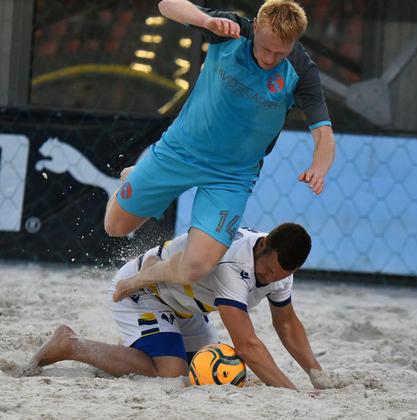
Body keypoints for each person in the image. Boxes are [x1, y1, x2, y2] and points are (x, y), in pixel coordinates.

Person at [105, 0, 335, 294]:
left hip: (232, 176)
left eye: (280, 52)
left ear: (294, 42)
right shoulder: (230, 30)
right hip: (180, 152)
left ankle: (145, 275)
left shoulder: (301, 71)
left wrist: (319, 168)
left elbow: (324, 135)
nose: (270, 58)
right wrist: (206, 21)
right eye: (265, 48)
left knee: (195, 268)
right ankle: (136, 175)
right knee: (115, 227)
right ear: (256, 27)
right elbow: (166, 5)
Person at [32, 223, 326, 390]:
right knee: (173, 373)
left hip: (187, 306)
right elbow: (247, 345)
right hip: (147, 292)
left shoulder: (278, 270)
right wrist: (293, 392)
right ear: (262, 245)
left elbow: (286, 324)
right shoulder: (233, 266)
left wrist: (317, 375)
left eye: (281, 276)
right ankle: (71, 344)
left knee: (203, 373)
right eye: (269, 270)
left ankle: (137, 351)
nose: (270, 279)